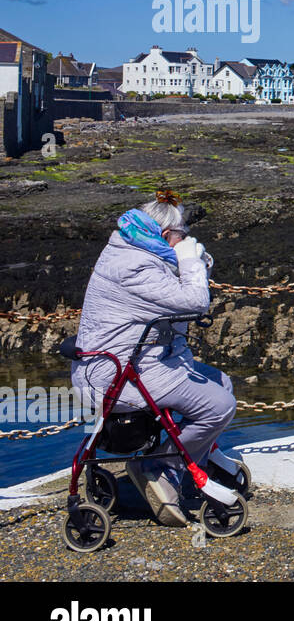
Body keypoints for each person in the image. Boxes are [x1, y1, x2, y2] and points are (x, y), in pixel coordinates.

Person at [73, 190, 236, 525]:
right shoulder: (134, 268)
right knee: (219, 406)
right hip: (118, 375)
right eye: (183, 237)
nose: (186, 240)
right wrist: (190, 263)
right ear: (165, 236)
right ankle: (159, 467)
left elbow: (172, 303)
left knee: (222, 382)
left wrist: (193, 265)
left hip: (138, 363)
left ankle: (181, 463)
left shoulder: (131, 249)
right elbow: (193, 303)